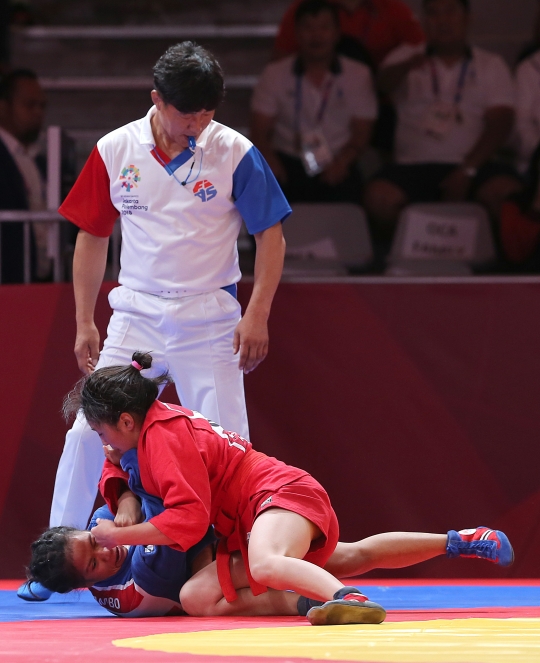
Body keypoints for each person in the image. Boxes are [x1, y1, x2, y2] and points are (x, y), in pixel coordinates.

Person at [39, 350, 513, 625]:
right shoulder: (144, 434)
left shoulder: (162, 440)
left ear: (126, 420)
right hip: (251, 513)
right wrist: (122, 497)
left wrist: (118, 535)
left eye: (101, 433)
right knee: (345, 556)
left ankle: (345, 599)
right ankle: (462, 540)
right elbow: (117, 469)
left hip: (274, 494)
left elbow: (187, 522)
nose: (101, 444)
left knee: (270, 562)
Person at [45, 42, 290, 541]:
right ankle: (58, 553)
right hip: (136, 317)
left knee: (230, 446)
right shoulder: (115, 150)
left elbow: (271, 236)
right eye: (186, 113)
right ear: (157, 99)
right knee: (84, 432)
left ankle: (236, 554)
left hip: (211, 317)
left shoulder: (236, 152)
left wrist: (258, 312)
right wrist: (84, 320)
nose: (197, 123)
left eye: (207, 112)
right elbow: (91, 236)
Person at [26, 501, 513, 620]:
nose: (105, 548)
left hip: (230, 534)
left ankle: (461, 538)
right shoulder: (125, 598)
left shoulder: (102, 521)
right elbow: (169, 540)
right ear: (84, 586)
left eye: (91, 540)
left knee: (349, 555)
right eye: (94, 563)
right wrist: (137, 512)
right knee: (200, 599)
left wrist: (127, 506)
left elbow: (127, 494)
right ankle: (309, 603)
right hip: (217, 565)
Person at [364, 0, 521, 240]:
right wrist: (407, 66)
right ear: (424, 21)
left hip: (472, 165)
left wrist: (467, 169)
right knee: (379, 197)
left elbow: (501, 123)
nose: (442, 21)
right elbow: (381, 86)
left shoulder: (490, 64)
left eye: (450, 12)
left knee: (506, 193)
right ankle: (399, 262)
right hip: (413, 166)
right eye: (433, 14)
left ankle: (494, 267)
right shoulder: (406, 55)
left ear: (467, 19)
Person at [251, 0, 377, 204]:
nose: (316, 35)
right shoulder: (274, 74)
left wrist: (343, 162)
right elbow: (259, 129)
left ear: (337, 33)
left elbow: (362, 132)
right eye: (308, 28)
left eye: (324, 28)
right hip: (288, 159)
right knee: (259, 186)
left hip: (338, 159)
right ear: (297, 33)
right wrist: (269, 159)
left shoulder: (358, 74)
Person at [0, 68, 50, 283]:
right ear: (3, 107)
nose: (38, 112)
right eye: (30, 105)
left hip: (38, 278)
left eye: (42, 106)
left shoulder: (39, 160)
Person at [274, 0, 425, 68]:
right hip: (312, 102)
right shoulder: (305, 10)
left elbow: (424, 53)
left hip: (380, 101)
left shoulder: (394, 10)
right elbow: (279, 67)